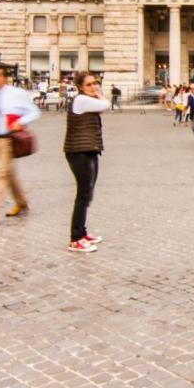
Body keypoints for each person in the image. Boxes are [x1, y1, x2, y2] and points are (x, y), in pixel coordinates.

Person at [0, 65, 40, 230]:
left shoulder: (16, 94)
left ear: (4, 78)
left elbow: (34, 112)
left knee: (0, 177)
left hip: (7, 140)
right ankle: (21, 203)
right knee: (8, 174)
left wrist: (20, 122)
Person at [63, 70, 108, 253]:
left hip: (89, 150)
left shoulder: (85, 101)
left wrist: (97, 95)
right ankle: (75, 239)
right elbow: (105, 104)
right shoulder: (81, 100)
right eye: (89, 84)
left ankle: (82, 232)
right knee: (83, 195)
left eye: (95, 83)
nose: (93, 86)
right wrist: (99, 95)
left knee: (87, 193)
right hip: (78, 152)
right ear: (80, 87)